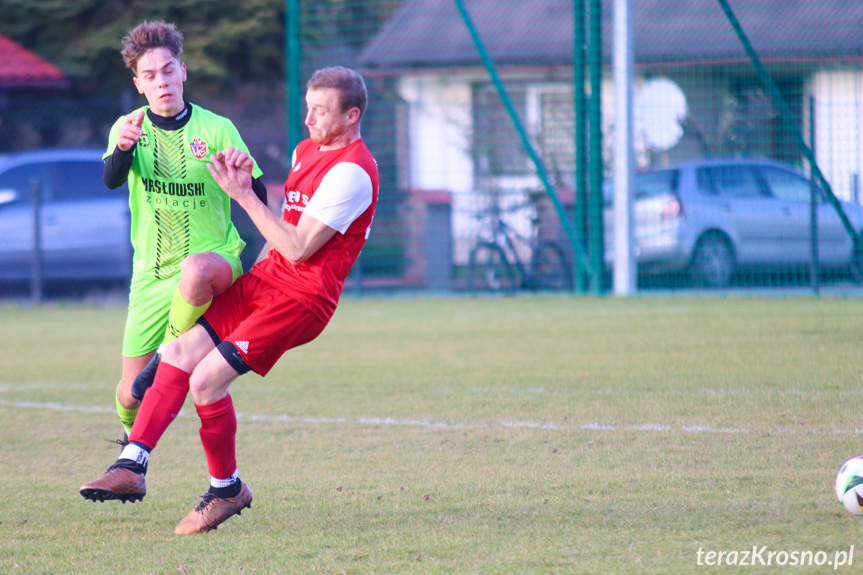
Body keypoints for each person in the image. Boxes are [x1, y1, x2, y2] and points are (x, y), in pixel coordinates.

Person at [80, 66, 379, 535]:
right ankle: (130, 466)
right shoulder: (307, 151)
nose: (308, 120)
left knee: (205, 381)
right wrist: (256, 271)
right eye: (307, 108)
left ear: (352, 116)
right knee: (178, 352)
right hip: (268, 280)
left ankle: (227, 489)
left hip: (301, 300)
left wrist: (242, 194)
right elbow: (279, 231)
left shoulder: (352, 173)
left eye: (320, 112)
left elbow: (300, 248)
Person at [103, 21, 268, 444]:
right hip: (152, 275)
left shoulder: (216, 129)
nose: (162, 82)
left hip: (216, 259)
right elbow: (110, 179)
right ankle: (130, 447)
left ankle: (166, 355)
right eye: (151, 76)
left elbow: (259, 193)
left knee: (195, 270)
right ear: (139, 84)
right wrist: (122, 150)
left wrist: (244, 175)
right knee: (129, 394)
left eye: (169, 70)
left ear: (184, 72)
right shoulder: (128, 128)